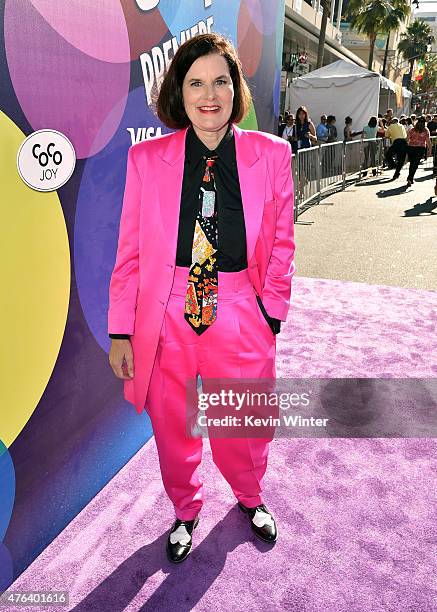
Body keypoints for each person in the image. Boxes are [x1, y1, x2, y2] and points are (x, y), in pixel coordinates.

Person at [107, 33, 295, 563]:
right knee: (173, 423)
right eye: (195, 82)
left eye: (220, 80)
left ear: (237, 89)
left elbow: (282, 241)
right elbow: (129, 254)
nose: (208, 94)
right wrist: (121, 330)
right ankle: (185, 507)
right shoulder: (146, 159)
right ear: (179, 92)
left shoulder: (271, 154)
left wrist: (270, 315)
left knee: (245, 420)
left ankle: (250, 496)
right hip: (168, 311)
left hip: (240, 307)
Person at [406, 115, 432, 186]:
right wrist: (430, 151)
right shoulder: (426, 130)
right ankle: (410, 178)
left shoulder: (412, 130)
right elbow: (428, 141)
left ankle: (410, 178)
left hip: (411, 148)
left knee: (412, 164)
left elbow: (407, 139)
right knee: (415, 164)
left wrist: (406, 148)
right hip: (420, 149)